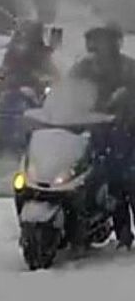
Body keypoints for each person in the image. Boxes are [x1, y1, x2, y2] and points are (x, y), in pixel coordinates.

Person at [68, 25, 135, 249]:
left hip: (123, 131)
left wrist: (124, 109)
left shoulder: (128, 68)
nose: (101, 47)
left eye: (106, 41)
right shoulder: (83, 68)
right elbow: (68, 91)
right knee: (90, 177)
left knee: (124, 182)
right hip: (90, 131)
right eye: (97, 42)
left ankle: (125, 236)